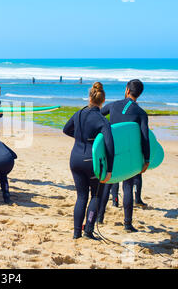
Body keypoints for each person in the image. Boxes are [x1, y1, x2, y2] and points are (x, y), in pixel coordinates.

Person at [63, 82, 114, 240]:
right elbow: (109, 146)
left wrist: (80, 138)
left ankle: (76, 233)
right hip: (91, 161)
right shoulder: (102, 120)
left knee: (81, 196)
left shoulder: (78, 113)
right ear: (103, 101)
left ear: (89, 97)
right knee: (96, 196)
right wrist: (110, 170)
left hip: (75, 158)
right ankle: (89, 230)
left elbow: (66, 129)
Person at [97, 79, 149, 233]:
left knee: (108, 182)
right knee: (127, 186)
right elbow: (145, 138)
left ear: (127, 90)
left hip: (110, 151)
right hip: (128, 154)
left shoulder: (113, 105)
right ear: (139, 94)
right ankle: (127, 224)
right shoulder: (141, 113)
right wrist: (146, 160)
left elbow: (98, 115)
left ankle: (100, 217)